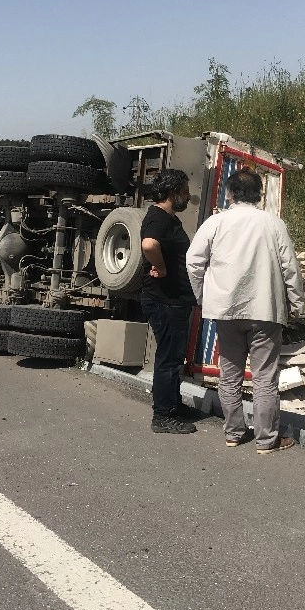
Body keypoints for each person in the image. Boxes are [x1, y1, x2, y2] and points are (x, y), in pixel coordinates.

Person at [186, 168, 305, 454]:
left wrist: (203, 296)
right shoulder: (273, 223)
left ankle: (234, 433)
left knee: (230, 374)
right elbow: (291, 268)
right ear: (260, 195)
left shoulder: (216, 223)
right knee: (264, 377)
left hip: (226, 310)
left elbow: (193, 262)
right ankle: (267, 440)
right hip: (265, 310)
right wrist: (297, 304)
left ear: (229, 194)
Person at [141, 169, 197, 434]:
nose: (188, 196)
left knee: (174, 356)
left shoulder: (167, 218)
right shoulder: (158, 217)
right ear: (173, 192)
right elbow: (149, 245)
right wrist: (161, 268)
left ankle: (172, 405)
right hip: (166, 300)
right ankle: (162, 415)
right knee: (168, 358)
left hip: (174, 300)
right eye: (184, 191)